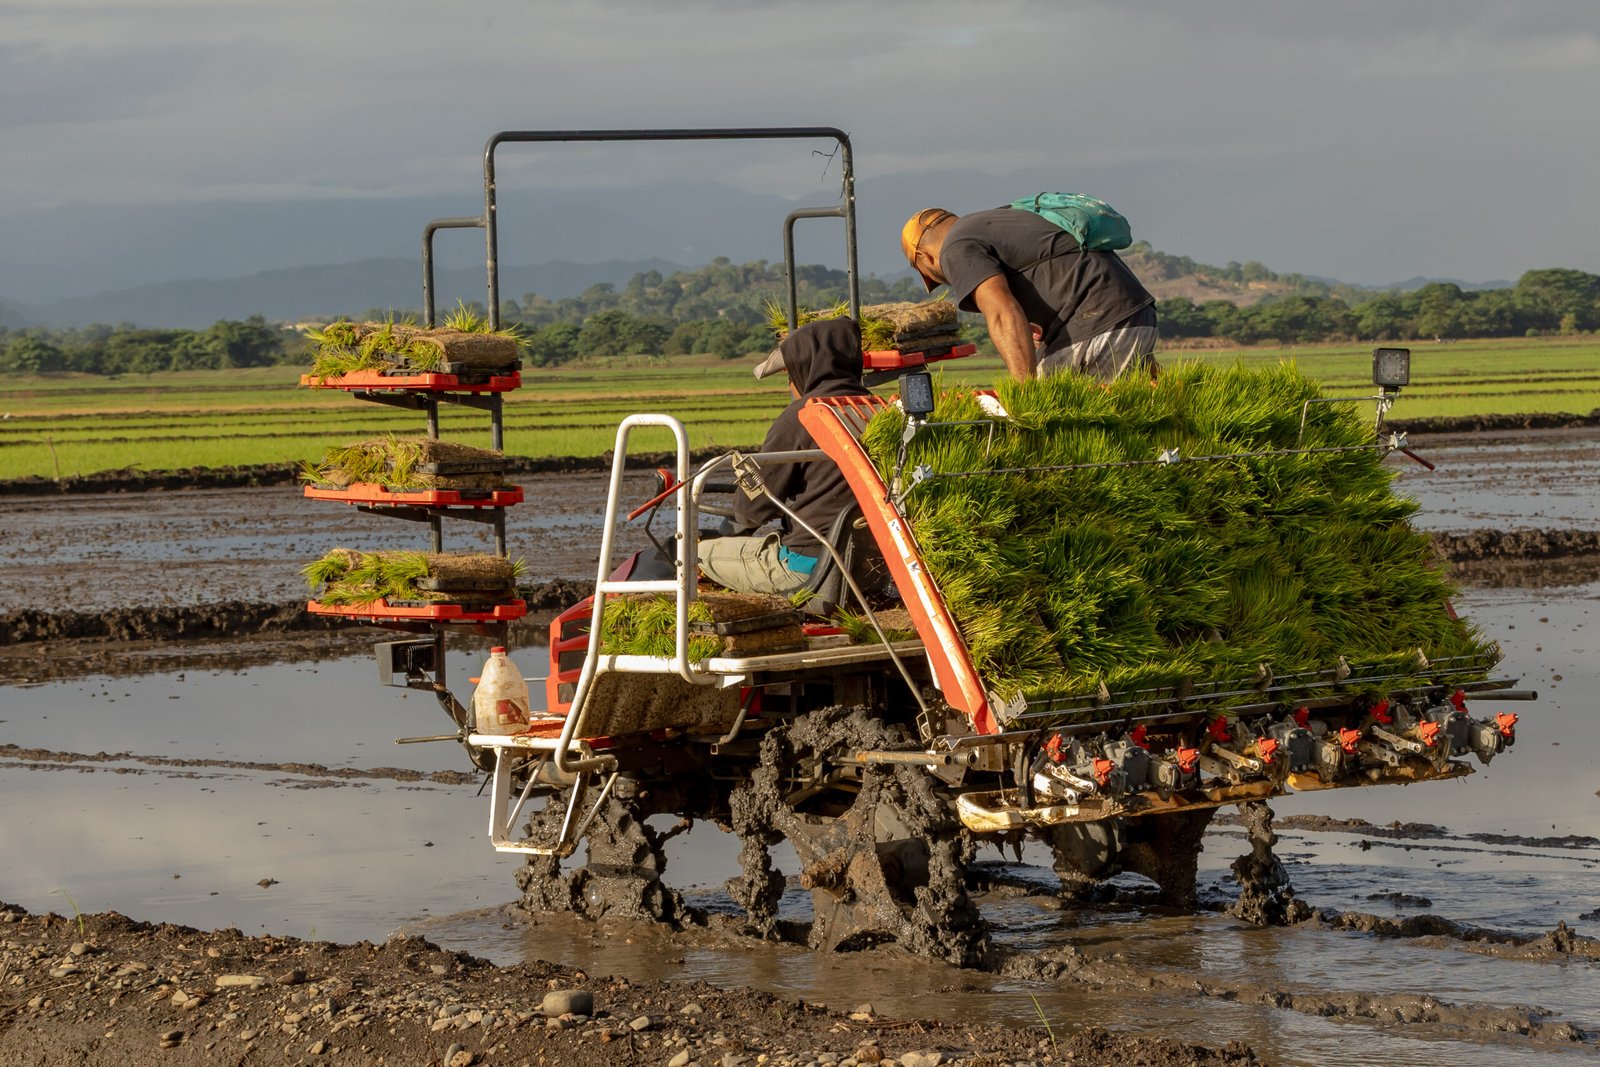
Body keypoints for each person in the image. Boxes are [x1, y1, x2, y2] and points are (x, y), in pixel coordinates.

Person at [696, 317, 870, 596]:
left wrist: (748, 499)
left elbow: (749, 511)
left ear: (806, 370)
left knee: (695, 553)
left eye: (791, 374)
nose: (790, 383)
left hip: (809, 567)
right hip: (868, 565)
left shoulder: (802, 417)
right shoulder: (875, 412)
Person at [901, 205, 1158, 383]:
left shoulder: (955, 248)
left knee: (1053, 422)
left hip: (1097, 321)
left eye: (932, 275)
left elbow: (1002, 313)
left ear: (925, 257)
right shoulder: (1000, 222)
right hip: (1130, 312)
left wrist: (1024, 394)